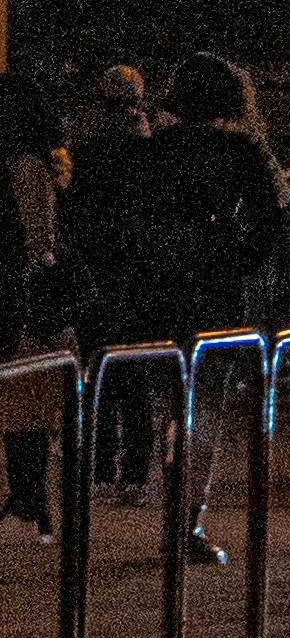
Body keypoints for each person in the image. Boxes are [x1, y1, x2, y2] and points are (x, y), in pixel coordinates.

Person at [87, 56, 290, 560]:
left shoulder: (151, 152)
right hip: (215, 296)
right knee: (205, 410)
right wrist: (232, 257)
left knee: (168, 409)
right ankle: (187, 520)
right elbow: (271, 226)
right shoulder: (240, 152)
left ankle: (170, 497)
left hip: (157, 295)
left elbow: (117, 224)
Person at [60, 64, 165, 486]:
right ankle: (136, 470)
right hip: (139, 274)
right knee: (135, 374)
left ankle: (102, 466)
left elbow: (74, 213)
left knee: (97, 372)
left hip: (97, 273)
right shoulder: (153, 155)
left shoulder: (89, 153)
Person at [0, 64, 63, 532]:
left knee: (21, 396)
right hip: (32, 293)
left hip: (17, 290)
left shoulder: (20, 165)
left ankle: (26, 497)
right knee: (29, 398)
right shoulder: (42, 164)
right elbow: (43, 237)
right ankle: (29, 497)